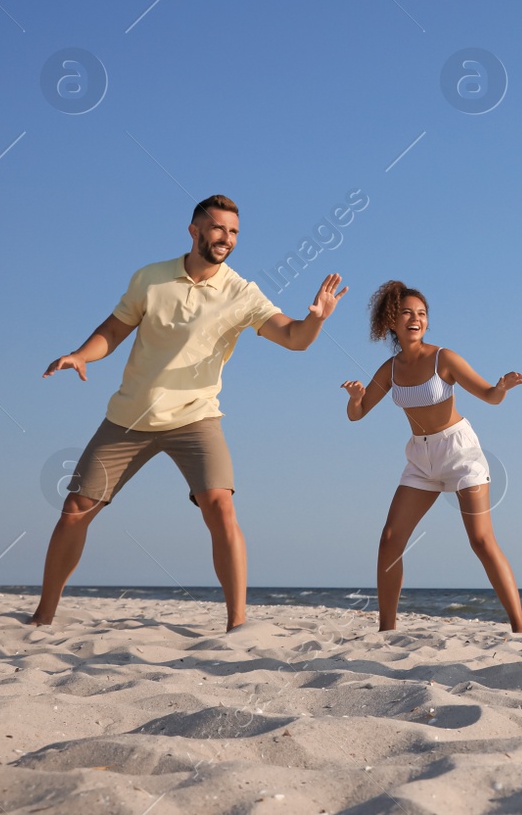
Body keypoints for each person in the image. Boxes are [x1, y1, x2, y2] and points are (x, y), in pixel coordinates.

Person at [33, 194, 347, 631]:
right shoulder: (151, 278)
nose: (226, 238)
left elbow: (295, 338)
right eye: (218, 228)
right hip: (132, 416)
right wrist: (82, 354)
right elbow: (113, 329)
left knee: (220, 507)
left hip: (196, 417)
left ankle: (237, 623)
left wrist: (316, 319)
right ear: (194, 230)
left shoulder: (242, 293)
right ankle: (43, 615)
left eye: (234, 232)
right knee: (75, 509)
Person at [341, 281, 522, 633]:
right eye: (407, 313)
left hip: (460, 453)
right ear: (391, 322)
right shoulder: (391, 369)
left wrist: (501, 387)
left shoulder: (445, 358)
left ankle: (520, 627)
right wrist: (354, 398)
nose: (416, 319)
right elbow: (358, 413)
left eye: (422, 314)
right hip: (421, 459)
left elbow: (489, 395)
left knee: (481, 540)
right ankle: (386, 629)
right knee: (390, 539)